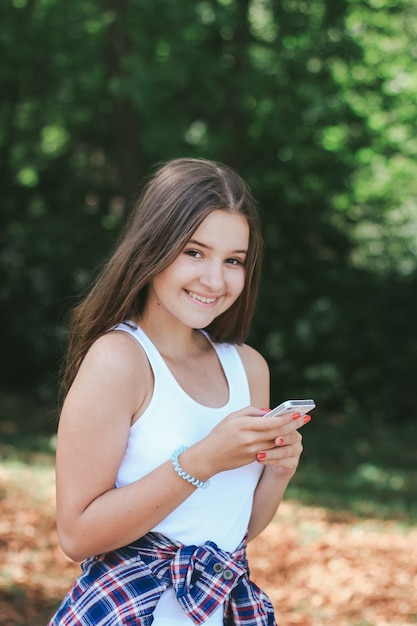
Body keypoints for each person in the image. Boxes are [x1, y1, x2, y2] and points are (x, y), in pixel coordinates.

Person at [48, 157, 311, 626]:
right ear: (153, 249)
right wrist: (202, 460)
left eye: (234, 261)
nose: (215, 280)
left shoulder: (248, 368)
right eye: (194, 252)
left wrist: (279, 472)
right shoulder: (119, 360)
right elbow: (77, 535)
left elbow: (237, 528)